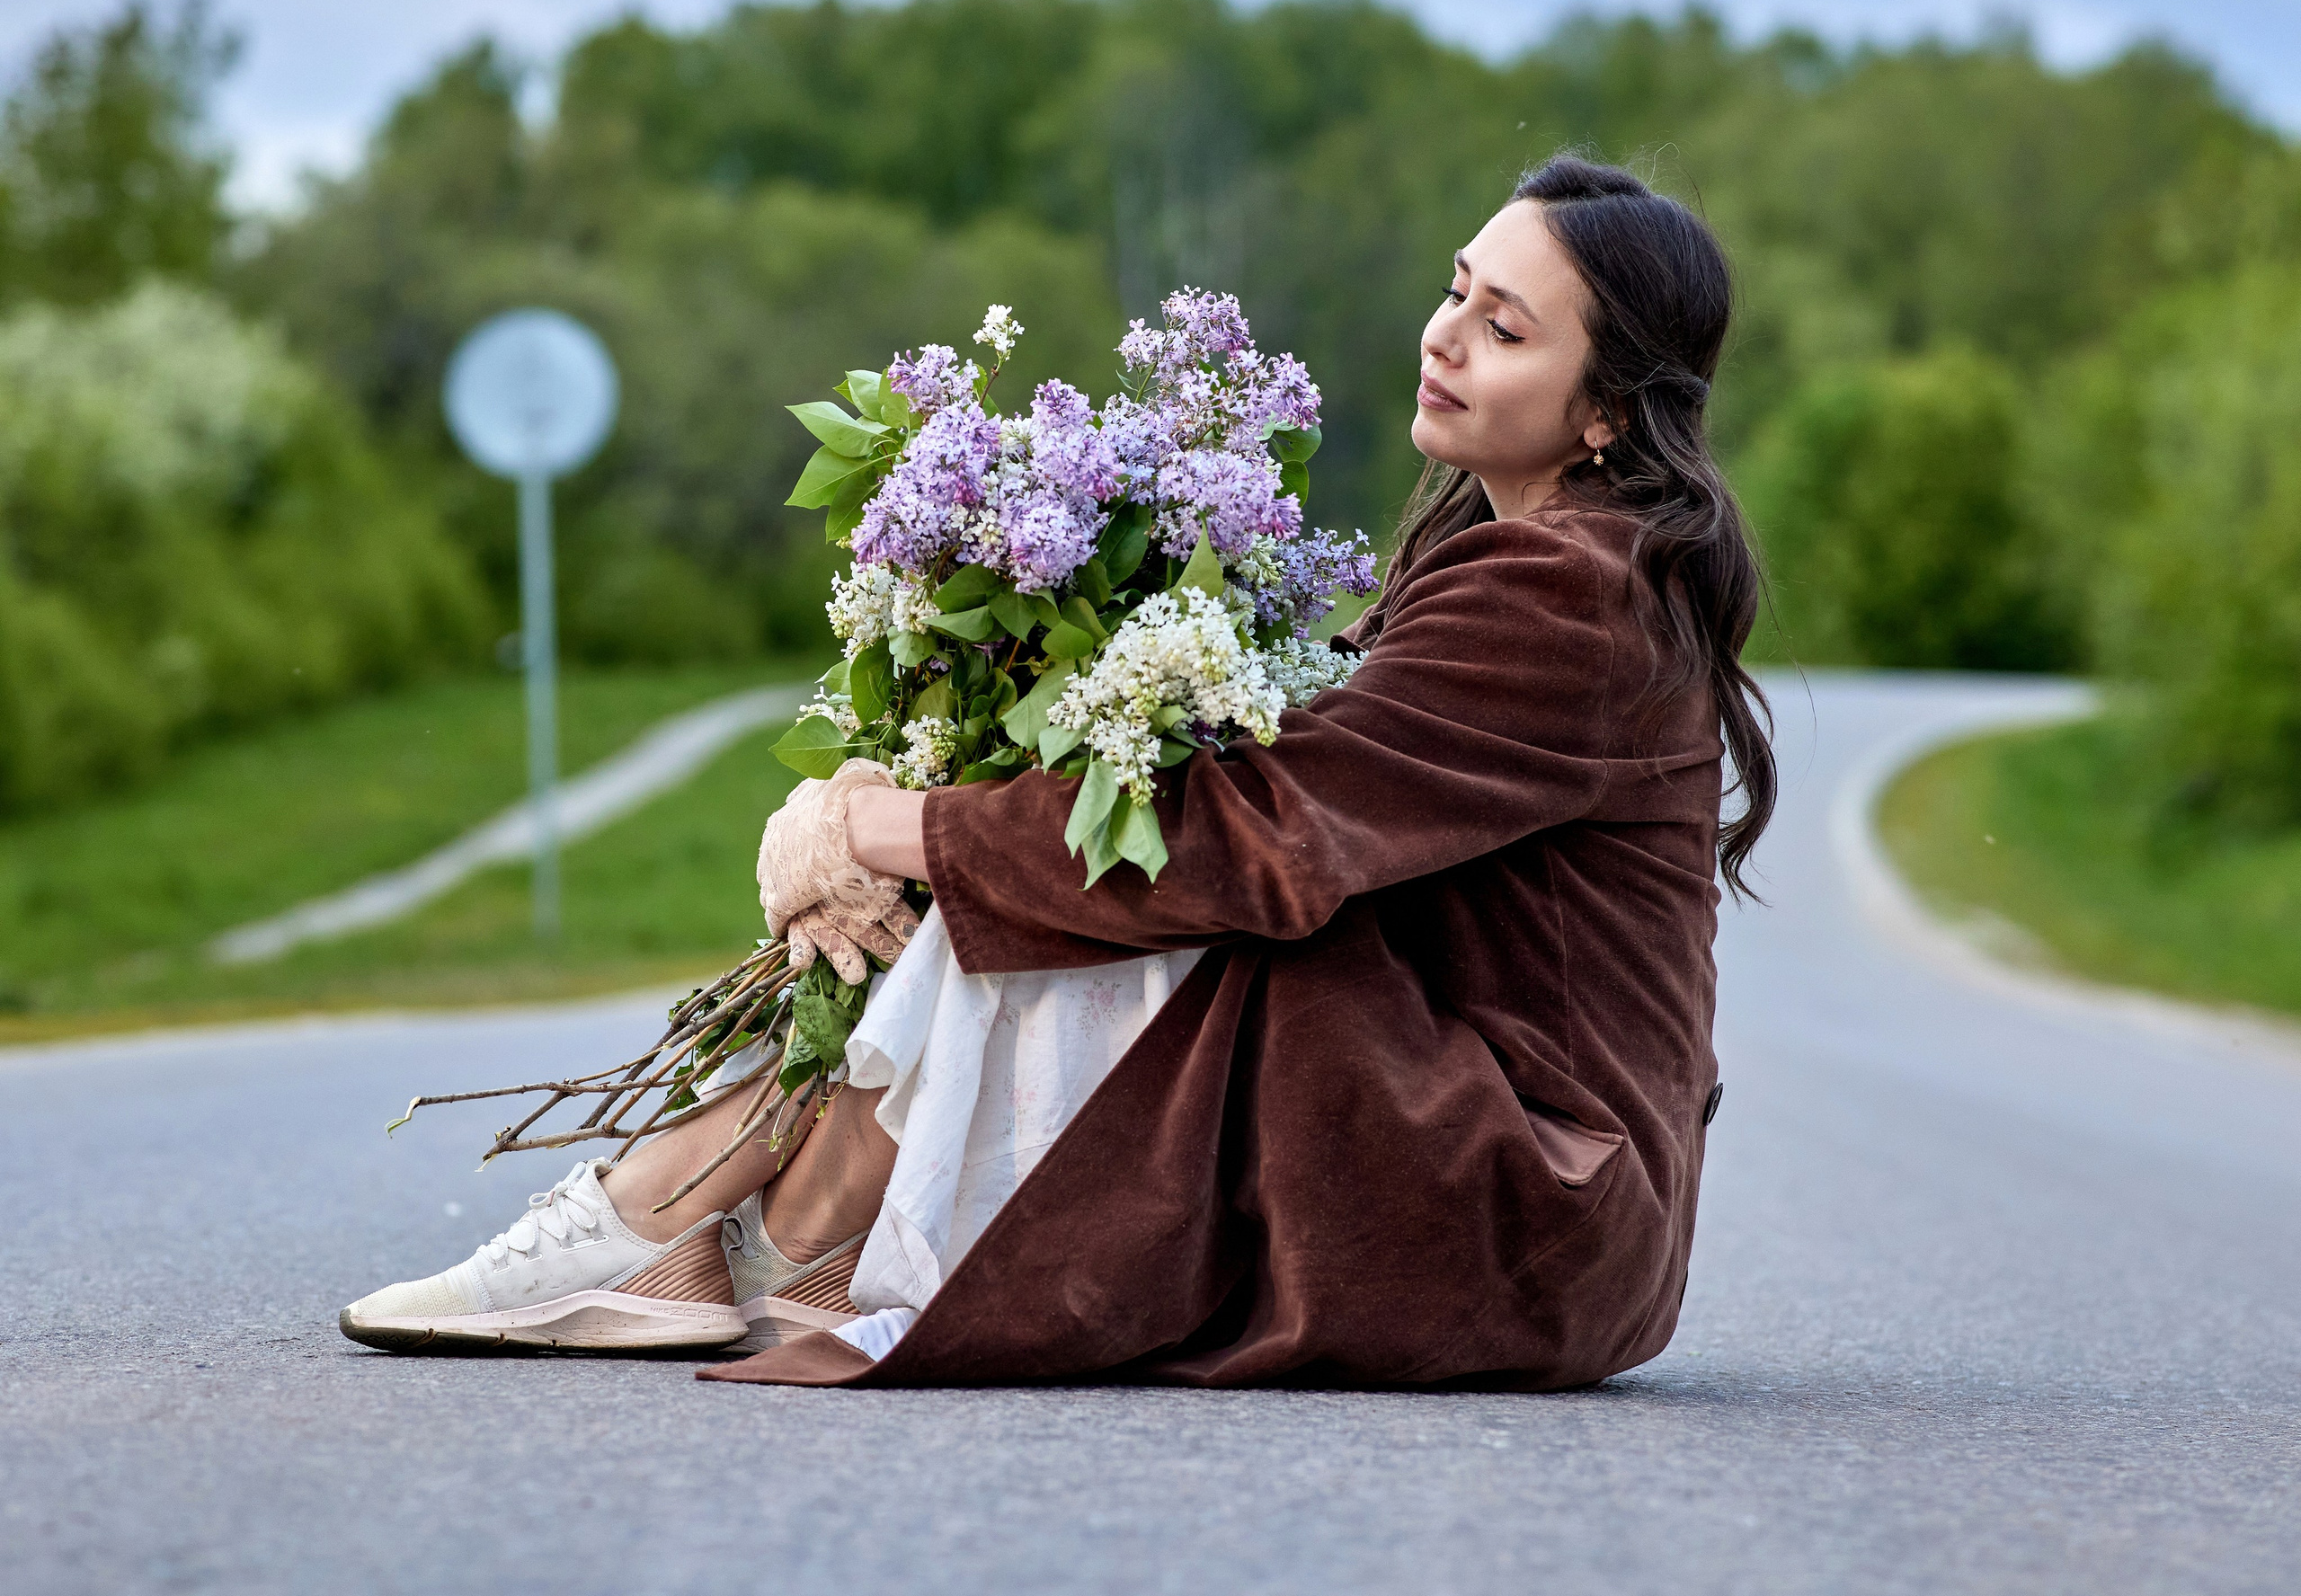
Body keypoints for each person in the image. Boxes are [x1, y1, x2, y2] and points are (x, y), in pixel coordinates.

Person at [342, 153, 1774, 1391]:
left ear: (1606, 414)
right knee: (1070, 848)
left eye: (1505, 326)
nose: (1447, 333)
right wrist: (901, 805)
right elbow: (1290, 800)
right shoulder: (1520, 557)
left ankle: (683, 1213)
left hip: (1529, 1207)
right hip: (1500, 1170)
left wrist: (875, 824)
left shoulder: (1576, 591)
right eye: (1458, 288)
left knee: (1134, 867)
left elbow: (1260, 834)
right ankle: (759, 1232)